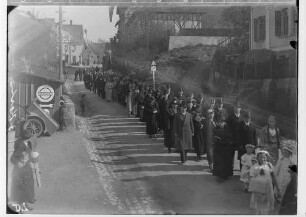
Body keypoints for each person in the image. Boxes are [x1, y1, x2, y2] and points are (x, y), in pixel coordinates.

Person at [10, 129, 40, 211]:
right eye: (29, 137)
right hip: (19, 170)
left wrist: (35, 164)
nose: (31, 138)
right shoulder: (20, 145)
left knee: (29, 183)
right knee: (21, 187)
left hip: (26, 166)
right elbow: (12, 159)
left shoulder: (29, 143)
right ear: (25, 138)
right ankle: (21, 205)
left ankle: (28, 200)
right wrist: (18, 163)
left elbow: (29, 155)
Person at [249, 150, 280, 214]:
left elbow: (274, 177)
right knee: (259, 207)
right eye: (261, 157)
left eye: (264, 157)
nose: (263, 159)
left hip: (268, 188)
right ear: (257, 158)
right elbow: (251, 178)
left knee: (266, 206)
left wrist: (277, 188)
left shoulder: (269, 165)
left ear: (267, 158)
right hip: (258, 189)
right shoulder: (255, 166)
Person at [227, 102, 242, 166]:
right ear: (233, 109)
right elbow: (228, 128)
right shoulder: (230, 117)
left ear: (240, 109)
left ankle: (242, 167)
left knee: (241, 153)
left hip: (240, 139)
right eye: (235, 108)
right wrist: (230, 138)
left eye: (238, 108)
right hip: (232, 138)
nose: (237, 109)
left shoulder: (242, 117)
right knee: (231, 153)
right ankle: (231, 165)